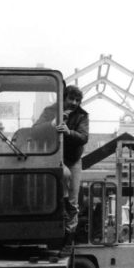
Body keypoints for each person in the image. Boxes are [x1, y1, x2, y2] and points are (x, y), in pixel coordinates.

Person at [34, 85, 90, 232]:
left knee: (73, 201)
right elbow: (35, 130)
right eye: (71, 98)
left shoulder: (82, 115)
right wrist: (52, 124)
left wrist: (68, 132)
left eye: (78, 100)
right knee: (50, 195)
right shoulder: (50, 111)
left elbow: (84, 137)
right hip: (52, 157)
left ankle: (68, 237)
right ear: (64, 97)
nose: (74, 103)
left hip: (73, 160)